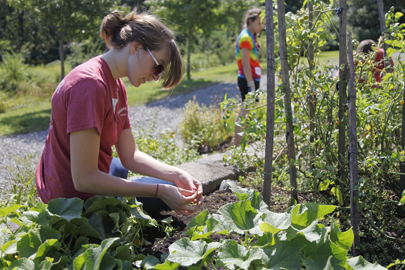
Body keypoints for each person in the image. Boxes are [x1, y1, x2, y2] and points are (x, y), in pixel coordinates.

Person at [35, 9, 203, 216]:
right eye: (157, 66)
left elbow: (130, 155)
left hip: (87, 185)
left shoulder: (115, 85)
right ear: (136, 47)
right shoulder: (90, 85)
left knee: (127, 170)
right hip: (72, 204)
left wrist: (176, 174)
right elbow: (84, 178)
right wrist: (161, 191)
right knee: (160, 191)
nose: (156, 77)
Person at [234, 8, 264, 147]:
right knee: (243, 113)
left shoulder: (251, 36)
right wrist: (251, 84)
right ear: (250, 21)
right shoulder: (246, 37)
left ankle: (244, 144)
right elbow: (245, 63)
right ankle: (238, 147)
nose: (261, 26)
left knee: (248, 112)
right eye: (259, 23)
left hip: (251, 78)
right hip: (247, 79)